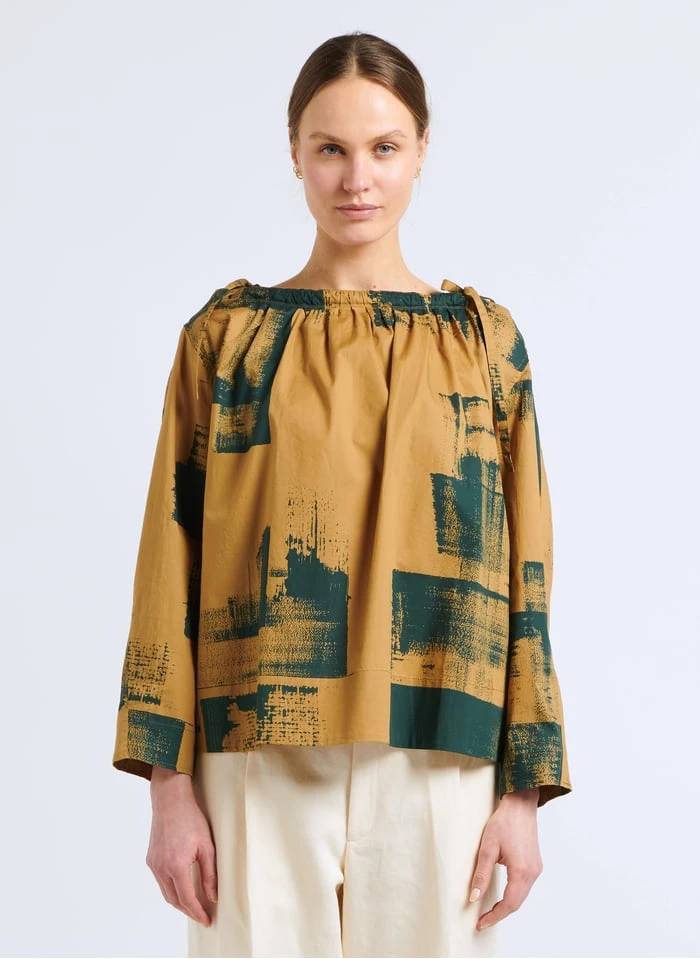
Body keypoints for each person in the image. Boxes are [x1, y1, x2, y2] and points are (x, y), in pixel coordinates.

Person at [112, 30, 572, 959]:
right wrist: (169, 784)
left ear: (421, 150)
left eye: (383, 147)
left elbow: (528, 572)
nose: (357, 178)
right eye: (331, 148)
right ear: (295, 153)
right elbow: (169, 559)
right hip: (254, 748)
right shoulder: (227, 341)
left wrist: (523, 789)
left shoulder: (485, 345)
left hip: (440, 746)